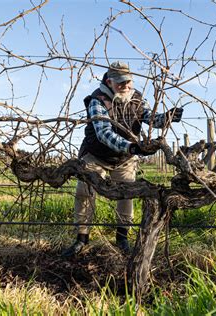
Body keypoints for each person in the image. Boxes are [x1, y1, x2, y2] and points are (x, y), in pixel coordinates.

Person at [62, 61, 183, 257]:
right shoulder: (97, 100)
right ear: (109, 82)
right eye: (120, 83)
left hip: (125, 157)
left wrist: (167, 117)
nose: (125, 86)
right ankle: (82, 238)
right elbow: (104, 134)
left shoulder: (136, 98)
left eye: (128, 82)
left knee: (127, 191)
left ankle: (122, 237)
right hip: (95, 154)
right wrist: (131, 146)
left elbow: (149, 118)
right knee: (84, 191)